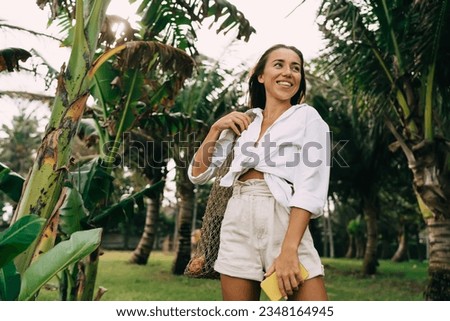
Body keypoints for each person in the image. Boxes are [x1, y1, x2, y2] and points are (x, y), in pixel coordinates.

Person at [188, 44, 330, 301]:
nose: (288, 72)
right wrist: (215, 130)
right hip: (237, 217)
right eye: (279, 65)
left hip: (283, 216)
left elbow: (310, 188)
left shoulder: (308, 117)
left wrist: (289, 249)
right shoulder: (245, 121)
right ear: (260, 75)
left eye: (295, 68)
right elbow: (198, 174)